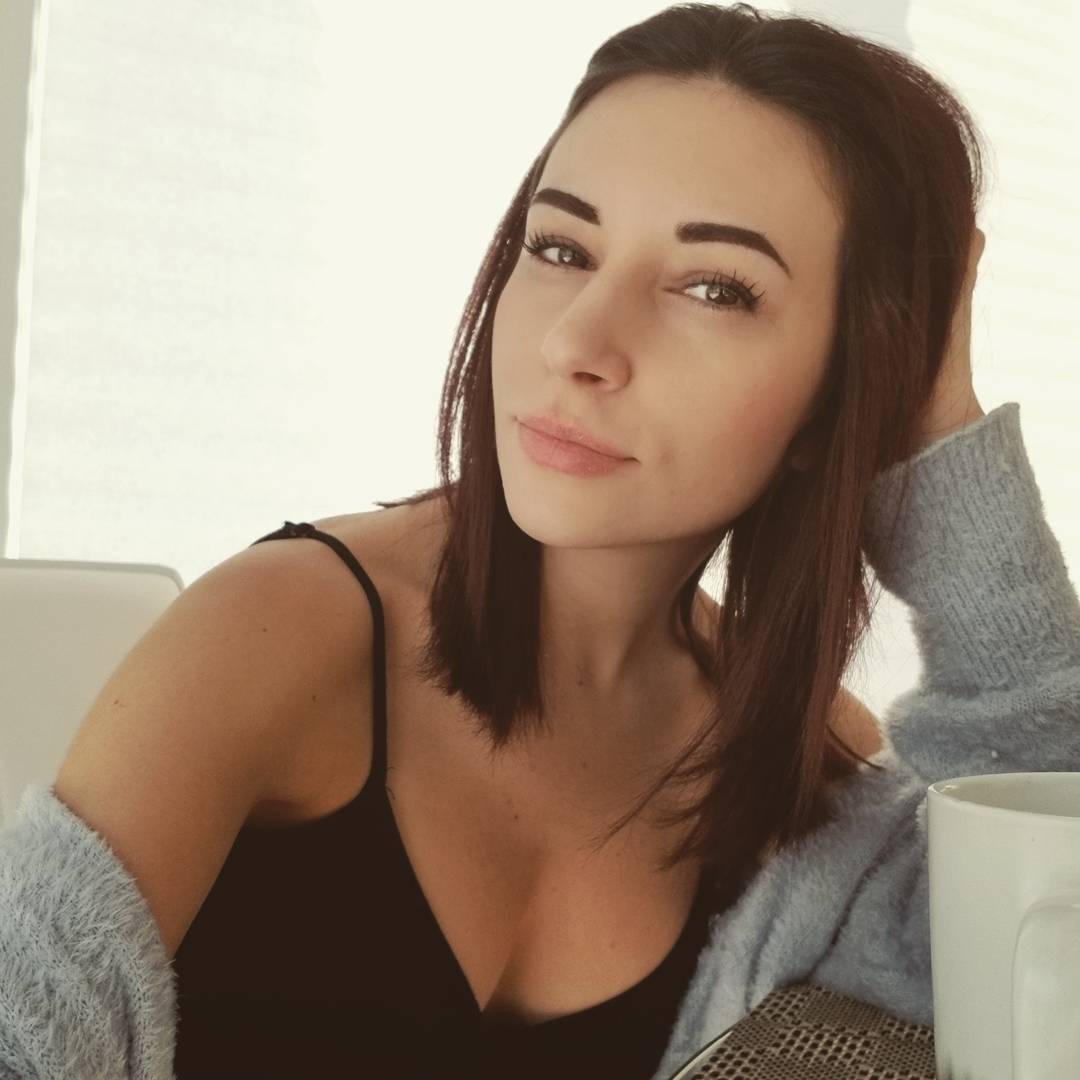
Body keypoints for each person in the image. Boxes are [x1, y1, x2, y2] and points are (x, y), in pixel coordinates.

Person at [2, 4, 1077, 1079]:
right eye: (562, 247)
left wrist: (939, 430)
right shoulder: (280, 631)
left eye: (714, 288)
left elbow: (1047, 936)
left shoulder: (805, 767)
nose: (577, 341)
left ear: (844, 386)